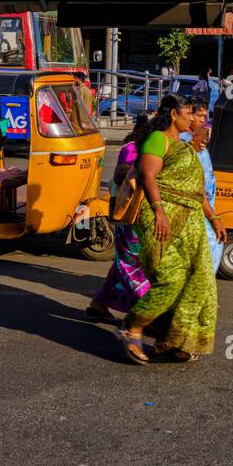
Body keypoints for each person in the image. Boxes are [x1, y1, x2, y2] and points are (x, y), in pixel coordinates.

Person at [119, 94, 226, 365]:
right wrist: (159, 211)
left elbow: (197, 190)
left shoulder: (186, 146)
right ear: (174, 115)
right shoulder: (159, 139)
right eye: (189, 113)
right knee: (171, 278)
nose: (194, 118)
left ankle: (172, 339)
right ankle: (133, 325)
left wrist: (214, 218)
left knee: (200, 281)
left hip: (190, 221)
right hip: (161, 216)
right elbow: (147, 175)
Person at [86, 115, 158, 323]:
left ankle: (98, 305)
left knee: (122, 264)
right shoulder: (132, 149)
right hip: (129, 214)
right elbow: (122, 176)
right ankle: (145, 314)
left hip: (138, 214)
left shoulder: (146, 150)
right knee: (132, 263)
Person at [180, 101, 223, 274]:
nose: (203, 120)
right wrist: (212, 217)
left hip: (203, 208)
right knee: (210, 247)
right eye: (200, 115)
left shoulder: (198, 141)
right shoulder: (184, 142)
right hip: (194, 210)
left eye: (205, 116)